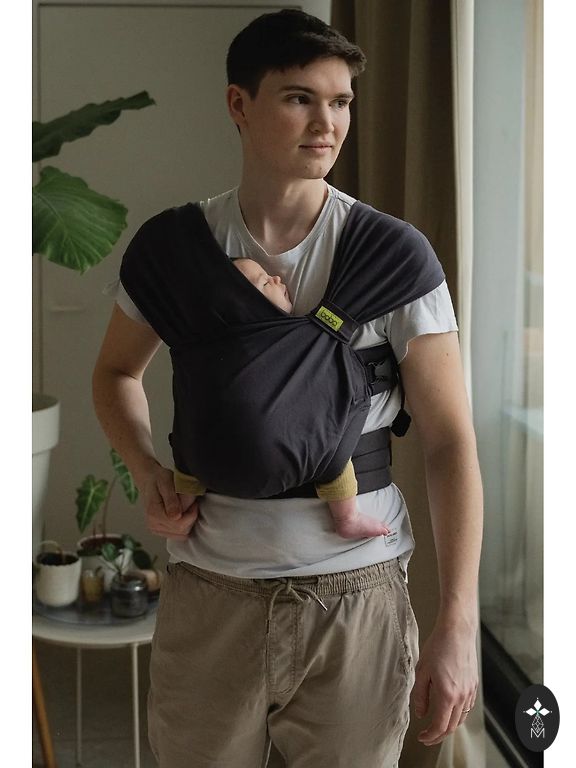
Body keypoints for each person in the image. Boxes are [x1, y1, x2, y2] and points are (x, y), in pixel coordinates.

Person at [92, 9, 483, 767]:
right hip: (211, 588)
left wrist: (459, 621)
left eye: (341, 102)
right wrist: (145, 469)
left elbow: (449, 441)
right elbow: (115, 373)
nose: (327, 123)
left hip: (355, 595)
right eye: (300, 98)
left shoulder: (393, 256)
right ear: (238, 104)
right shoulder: (175, 250)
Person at [173, 256, 392, 541]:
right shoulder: (302, 340)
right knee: (336, 443)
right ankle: (347, 518)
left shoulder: (208, 347)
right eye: (266, 282)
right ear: (248, 307)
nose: (277, 278)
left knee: (189, 444)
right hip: (299, 455)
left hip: (209, 467)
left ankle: (181, 508)